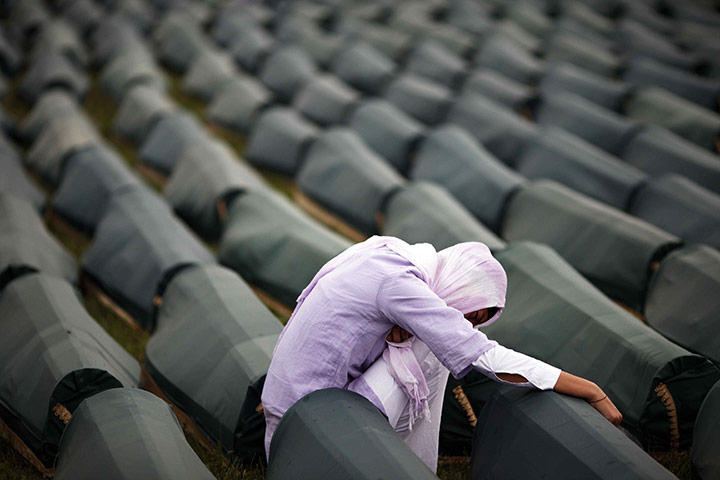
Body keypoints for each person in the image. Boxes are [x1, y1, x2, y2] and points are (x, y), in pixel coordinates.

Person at [262, 236, 622, 471]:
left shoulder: (390, 256)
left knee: (425, 341)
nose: (464, 321)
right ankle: (413, 468)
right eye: (470, 313)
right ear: (462, 283)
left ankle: (413, 467)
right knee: (435, 351)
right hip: (311, 430)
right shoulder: (399, 283)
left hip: (297, 416)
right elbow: (482, 354)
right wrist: (591, 390)